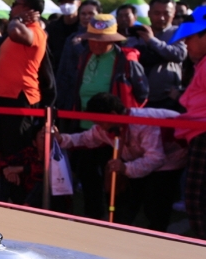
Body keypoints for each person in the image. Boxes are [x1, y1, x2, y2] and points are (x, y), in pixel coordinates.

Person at [57, 14, 148, 219]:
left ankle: (117, 220)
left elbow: (142, 94)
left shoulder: (126, 60)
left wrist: (124, 122)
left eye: (101, 39)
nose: (96, 44)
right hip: (85, 127)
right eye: (92, 39)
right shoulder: (85, 56)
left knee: (115, 180)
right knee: (88, 177)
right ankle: (93, 218)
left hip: (113, 131)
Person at [57, 93, 186, 231]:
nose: (97, 125)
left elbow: (156, 158)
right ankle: (120, 231)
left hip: (170, 159)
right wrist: (61, 140)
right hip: (139, 158)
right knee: (126, 201)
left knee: (155, 203)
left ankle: (158, 237)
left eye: (99, 121)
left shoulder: (144, 123)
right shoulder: (107, 126)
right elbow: (87, 138)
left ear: (112, 114)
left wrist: (125, 168)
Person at [0, 0, 47, 199]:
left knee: (15, 151)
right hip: (1, 97)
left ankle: (14, 197)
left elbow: (18, 33)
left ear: (28, 10)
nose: (11, 6)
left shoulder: (35, 30)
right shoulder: (15, 28)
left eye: (15, 3)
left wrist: (16, 21)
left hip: (21, 98)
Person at [168, 6, 206, 239]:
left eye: (191, 37)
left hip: (204, 133)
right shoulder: (202, 64)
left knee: (197, 197)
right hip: (198, 132)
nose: (186, 44)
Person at [135, 0, 187, 110]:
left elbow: (179, 54)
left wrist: (152, 41)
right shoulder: (138, 33)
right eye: (157, 13)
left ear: (173, 14)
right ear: (149, 13)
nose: (161, 18)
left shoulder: (178, 32)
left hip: (167, 99)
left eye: (166, 13)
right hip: (138, 98)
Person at [46, 0, 81, 70]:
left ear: (79, 3)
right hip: (55, 71)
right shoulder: (52, 27)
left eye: (70, 1)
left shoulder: (84, 28)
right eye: (63, 2)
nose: (66, 5)